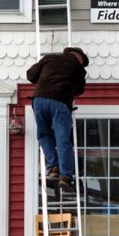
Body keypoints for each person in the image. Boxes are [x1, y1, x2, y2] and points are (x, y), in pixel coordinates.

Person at [26, 47, 89, 192]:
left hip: (40, 100)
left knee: (43, 134)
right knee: (62, 140)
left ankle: (53, 167)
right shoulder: (78, 67)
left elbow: (31, 75)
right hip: (60, 102)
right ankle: (66, 176)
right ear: (79, 58)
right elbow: (79, 90)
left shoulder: (49, 58)